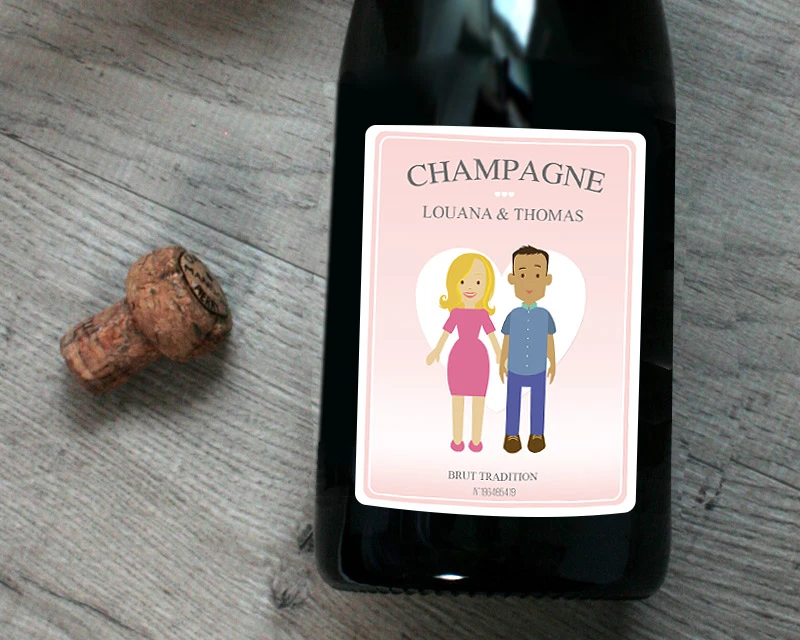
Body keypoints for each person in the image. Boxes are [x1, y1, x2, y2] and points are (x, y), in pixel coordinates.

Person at [427, 253, 501, 452]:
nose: (470, 287)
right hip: (458, 357)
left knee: (478, 400)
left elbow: (492, 335)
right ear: (454, 284)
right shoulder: (456, 313)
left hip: (479, 358)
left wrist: (499, 353)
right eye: (463, 281)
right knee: (457, 399)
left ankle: (476, 441)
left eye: (477, 282)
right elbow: (446, 333)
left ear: (487, 286)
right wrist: (436, 351)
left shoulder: (483, 314)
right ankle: (457, 440)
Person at [499, 245, 556, 454]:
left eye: (537, 275)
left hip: (538, 367)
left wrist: (553, 362)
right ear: (513, 279)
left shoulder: (545, 316)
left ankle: (537, 435)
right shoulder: (513, 315)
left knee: (538, 402)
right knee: (513, 401)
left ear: (547, 280)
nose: (529, 283)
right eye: (523, 275)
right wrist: (501, 362)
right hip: (514, 367)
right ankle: (511, 435)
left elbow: (549, 340)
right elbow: (507, 339)